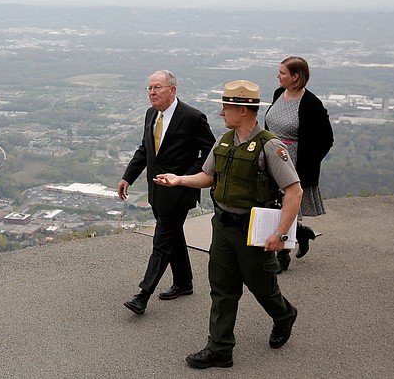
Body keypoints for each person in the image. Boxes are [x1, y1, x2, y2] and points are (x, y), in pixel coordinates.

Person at [154, 80, 302, 369]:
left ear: (244, 111)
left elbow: (294, 191)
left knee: (262, 287)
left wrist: (281, 233)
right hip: (222, 227)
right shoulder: (224, 142)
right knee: (222, 288)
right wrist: (180, 179)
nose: (222, 113)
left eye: (227, 107)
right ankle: (220, 348)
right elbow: (208, 176)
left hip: (253, 229)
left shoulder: (269, 146)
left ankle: (284, 315)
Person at [117, 70, 215, 316]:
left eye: (157, 87)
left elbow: (211, 154)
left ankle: (143, 295)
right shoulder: (151, 114)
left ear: (172, 89)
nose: (152, 92)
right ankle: (184, 283)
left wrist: (184, 177)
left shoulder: (192, 117)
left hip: (180, 192)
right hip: (157, 193)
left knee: (161, 242)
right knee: (172, 236)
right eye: (149, 88)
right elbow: (145, 150)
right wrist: (128, 177)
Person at [265, 56, 334, 272]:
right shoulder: (278, 94)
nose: (278, 76)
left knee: (285, 206)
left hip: (293, 162)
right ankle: (301, 232)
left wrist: (308, 161)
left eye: (282, 73)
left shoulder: (311, 104)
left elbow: (326, 138)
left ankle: (282, 257)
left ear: (296, 77)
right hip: (271, 157)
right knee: (270, 203)